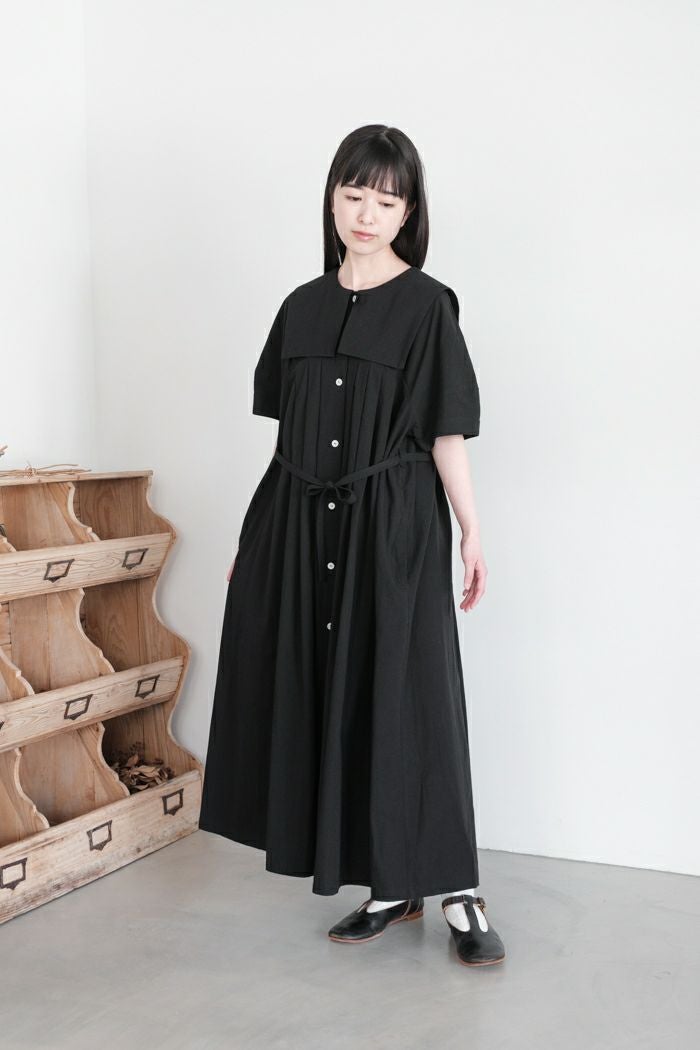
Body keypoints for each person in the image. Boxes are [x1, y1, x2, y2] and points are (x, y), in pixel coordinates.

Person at [199, 124, 505, 967]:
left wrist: (471, 528)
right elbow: (285, 437)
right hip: (300, 525)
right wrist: (254, 536)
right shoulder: (300, 306)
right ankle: (390, 887)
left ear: (409, 213)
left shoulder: (429, 305)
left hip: (393, 524)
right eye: (354, 194)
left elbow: (445, 430)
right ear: (332, 199)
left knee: (414, 698)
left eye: (387, 200)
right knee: (336, 693)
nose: (367, 213)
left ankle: (459, 891)